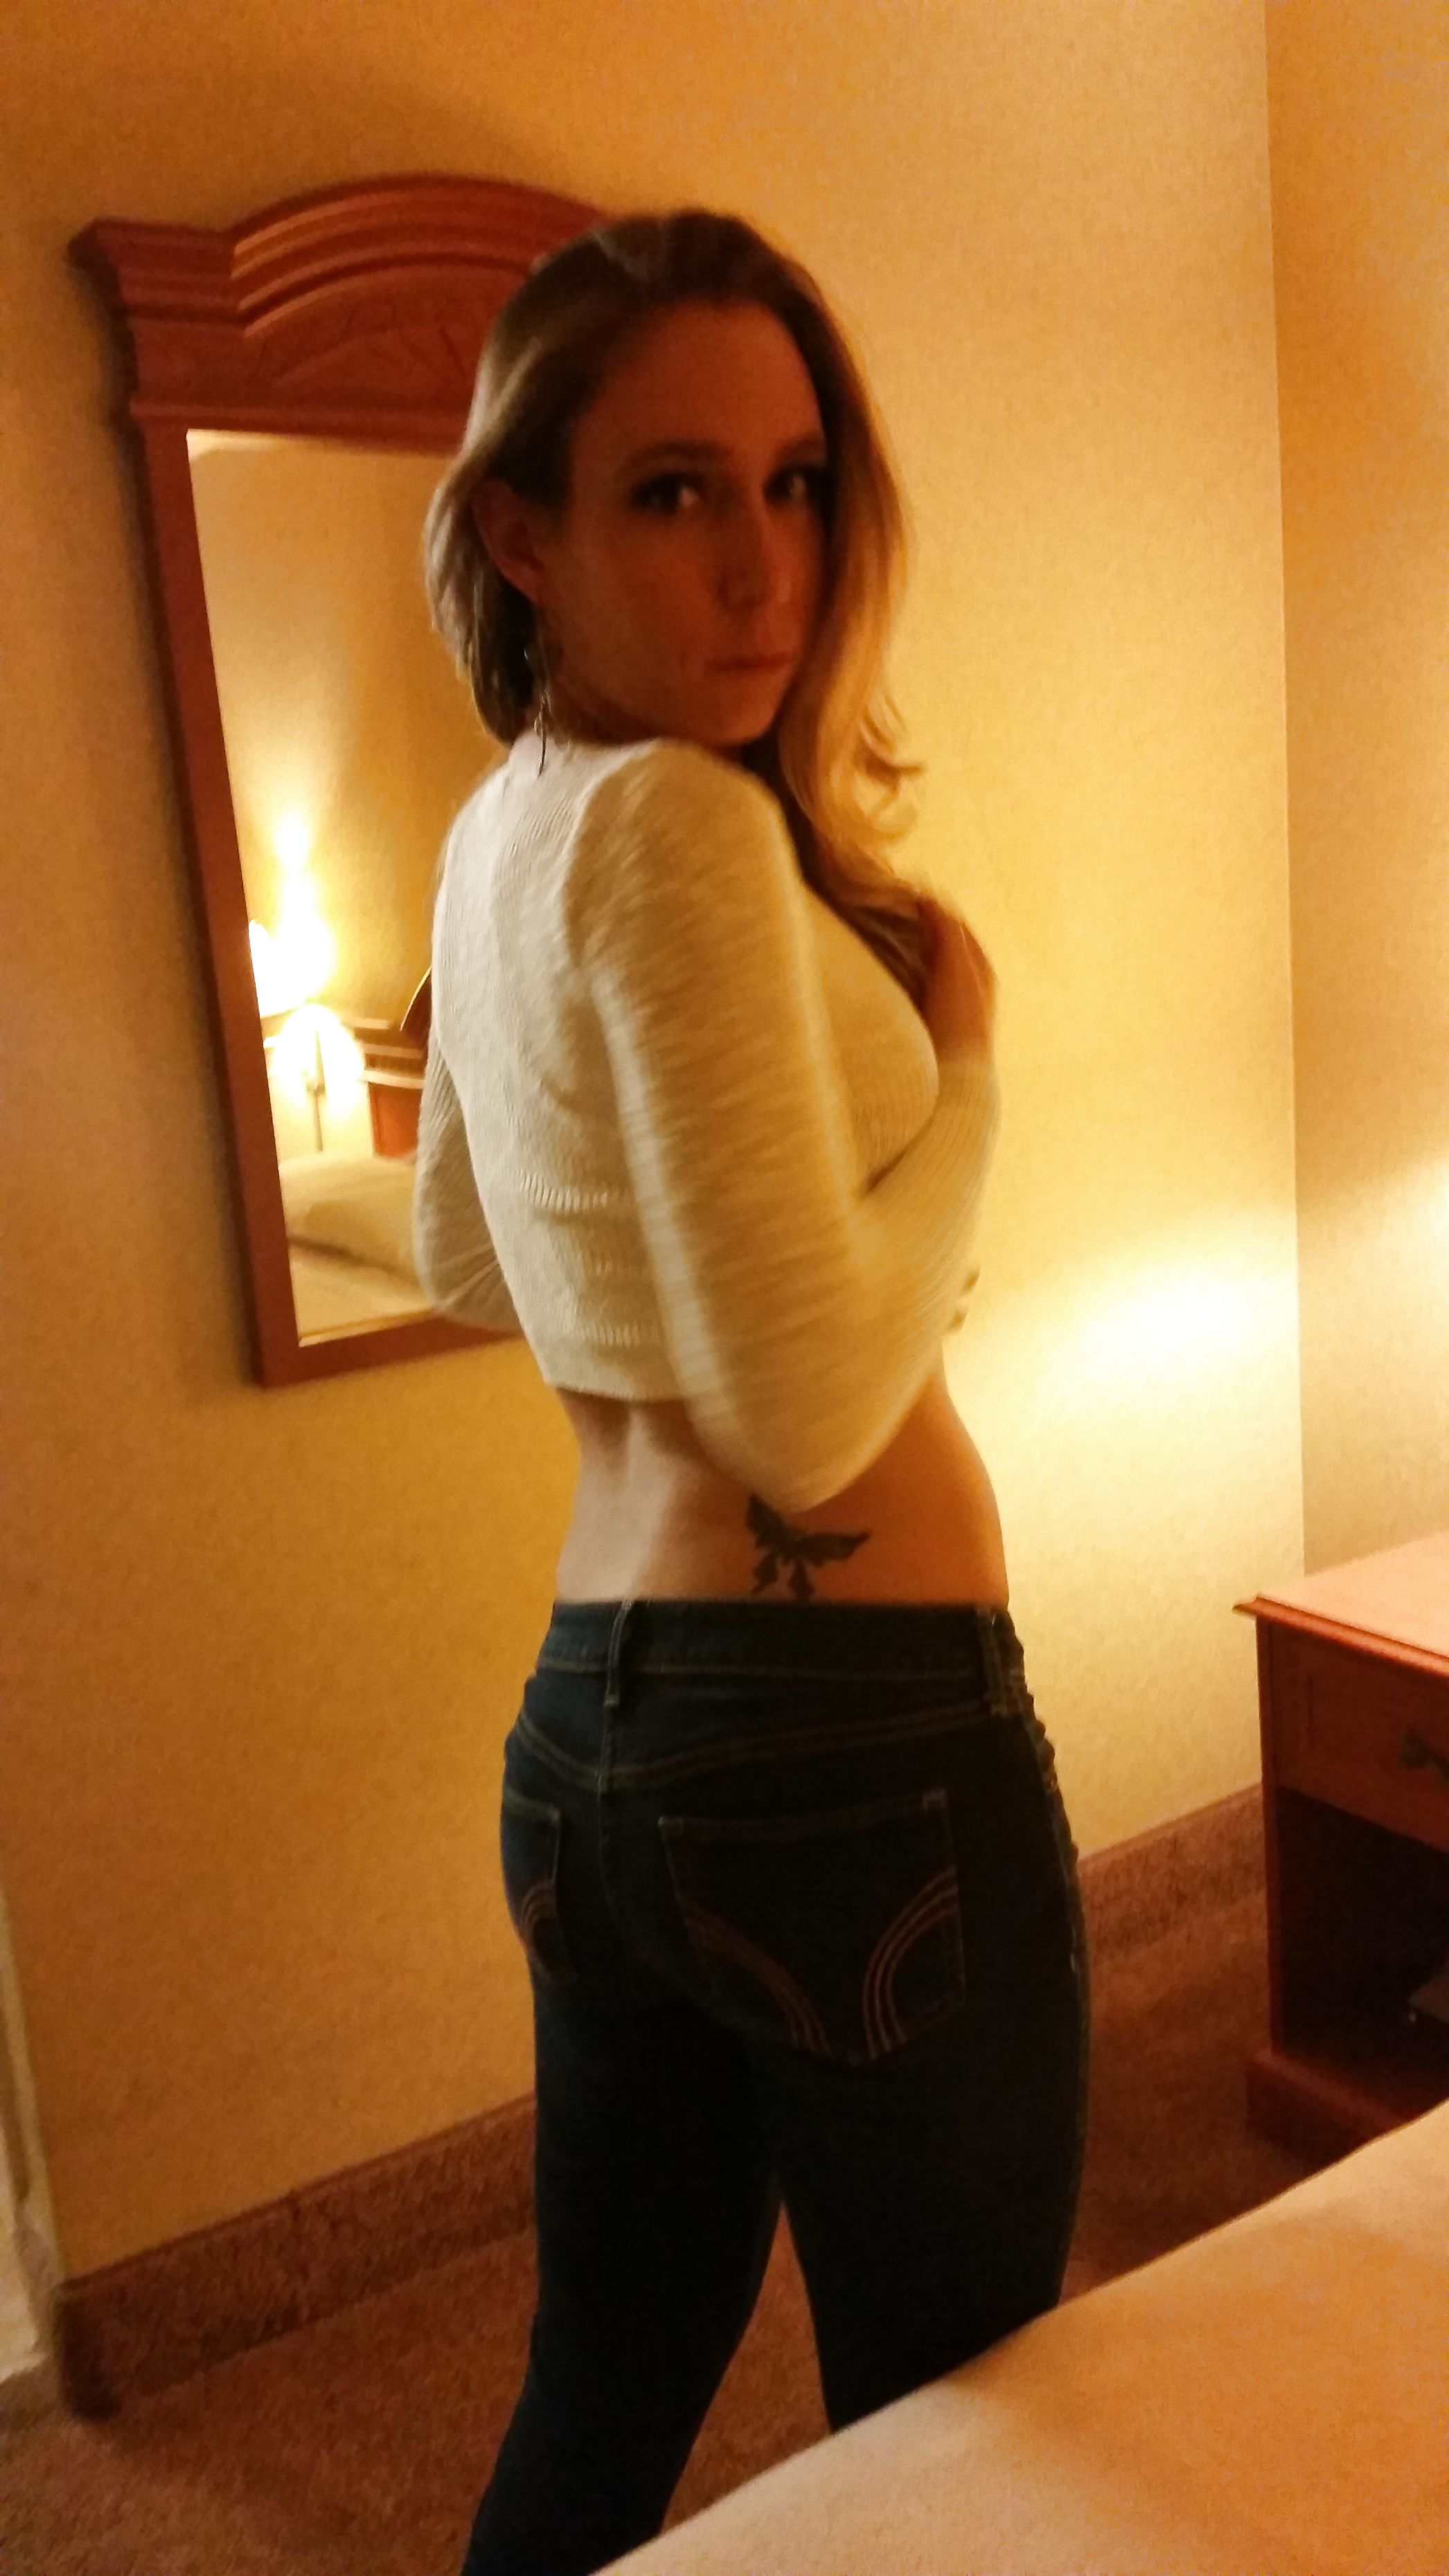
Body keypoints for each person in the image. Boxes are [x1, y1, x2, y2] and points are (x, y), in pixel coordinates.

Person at [415, 206, 1088, 2576]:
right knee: (974, 2434)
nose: (760, 562)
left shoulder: (497, 832)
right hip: (843, 1753)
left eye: (794, 484)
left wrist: (716, 1237)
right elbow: (806, 1412)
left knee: (596, 2398)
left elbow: (463, 1254)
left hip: (591, 1743)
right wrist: (965, 1061)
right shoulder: (683, 823)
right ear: (523, 530)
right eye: (673, 491)